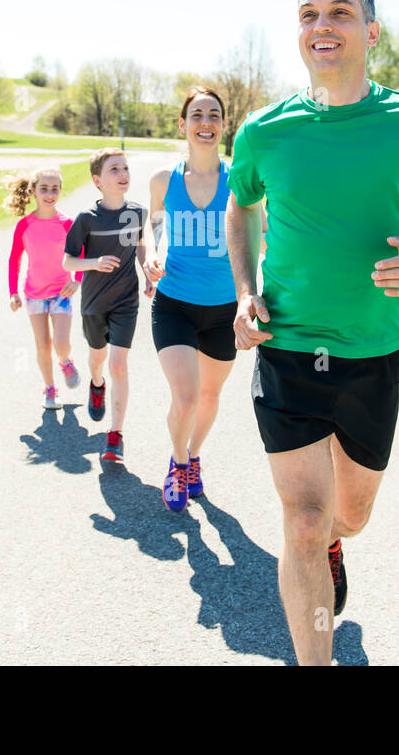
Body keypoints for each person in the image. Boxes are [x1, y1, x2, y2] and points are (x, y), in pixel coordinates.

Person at [225, 0, 399, 666]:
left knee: (348, 516)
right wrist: (245, 291)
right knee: (302, 520)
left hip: (373, 351)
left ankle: (336, 538)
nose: (321, 25)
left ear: (370, 30)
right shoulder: (264, 132)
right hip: (289, 347)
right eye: (308, 13)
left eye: (338, 12)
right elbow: (240, 212)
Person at [148, 86, 239, 512]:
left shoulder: (239, 179)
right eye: (197, 115)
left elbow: (260, 237)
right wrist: (149, 255)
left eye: (215, 115)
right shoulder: (163, 181)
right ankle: (178, 462)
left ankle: (195, 456)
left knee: (208, 398)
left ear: (224, 125)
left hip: (224, 309)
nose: (206, 122)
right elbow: (153, 225)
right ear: (183, 125)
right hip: (175, 303)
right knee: (185, 396)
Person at [62, 148, 161, 463]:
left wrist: (147, 273)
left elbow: (143, 249)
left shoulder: (138, 213)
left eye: (125, 168)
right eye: (114, 169)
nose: (123, 174)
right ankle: (96, 383)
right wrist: (93, 262)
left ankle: (115, 435)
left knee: (118, 363)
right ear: (97, 181)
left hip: (125, 301)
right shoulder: (86, 219)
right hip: (93, 303)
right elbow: (68, 261)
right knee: (97, 359)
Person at [3, 166, 82, 410]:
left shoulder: (67, 223)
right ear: (34, 191)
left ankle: (65, 360)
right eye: (44, 189)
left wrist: (76, 280)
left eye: (55, 189)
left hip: (61, 291)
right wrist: (13, 292)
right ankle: (49, 389)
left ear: (60, 191)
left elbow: (80, 253)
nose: (50, 194)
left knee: (61, 342)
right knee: (42, 344)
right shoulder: (24, 225)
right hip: (34, 294)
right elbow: (14, 259)